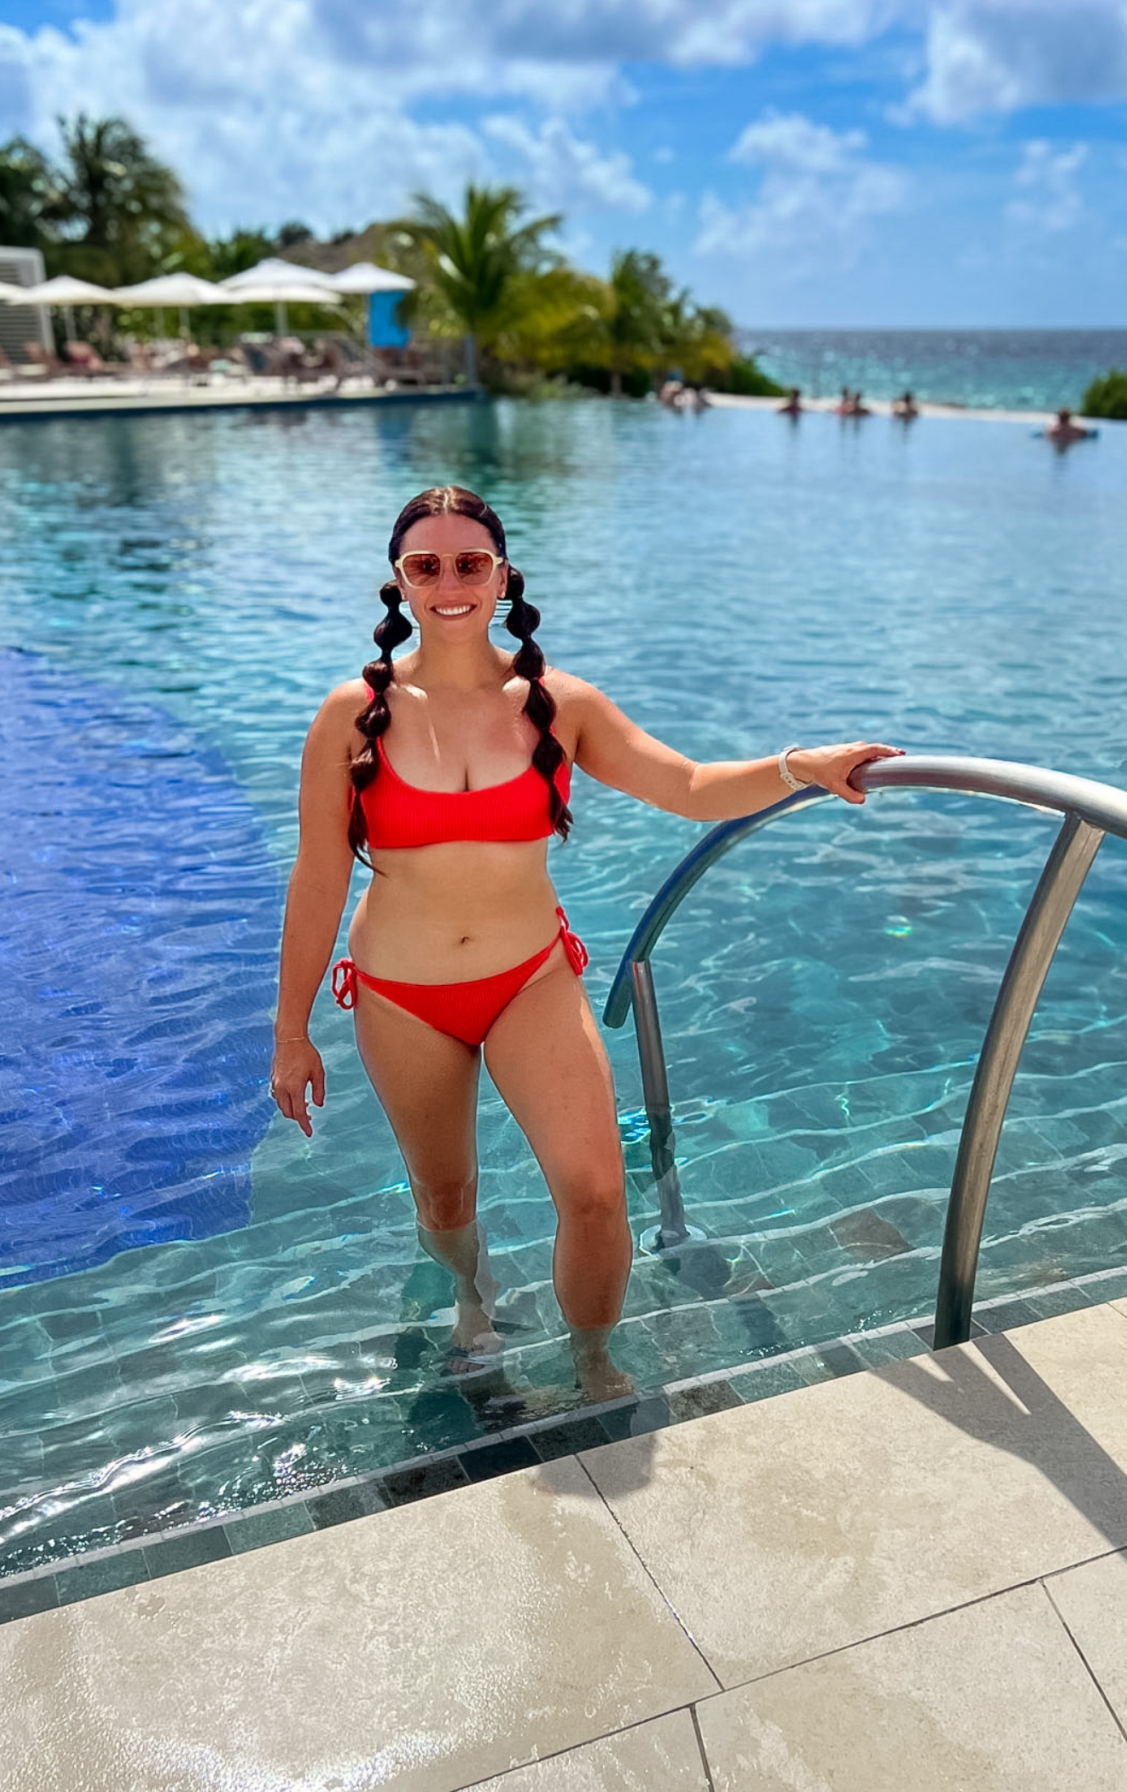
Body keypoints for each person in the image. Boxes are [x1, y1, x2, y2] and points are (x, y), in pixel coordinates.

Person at [268, 486, 900, 1398]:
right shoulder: (348, 715)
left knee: (597, 1193)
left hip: (528, 979)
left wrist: (798, 765)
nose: (451, 583)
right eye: (427, 566)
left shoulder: (556, 706)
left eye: (470, 563)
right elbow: (319, 878)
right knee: (445, 1200)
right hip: (402, 995)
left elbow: (686, 783)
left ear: (503, 574)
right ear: (400, 582)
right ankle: (470, 1304)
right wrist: (291, 1032)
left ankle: (592, 1361)